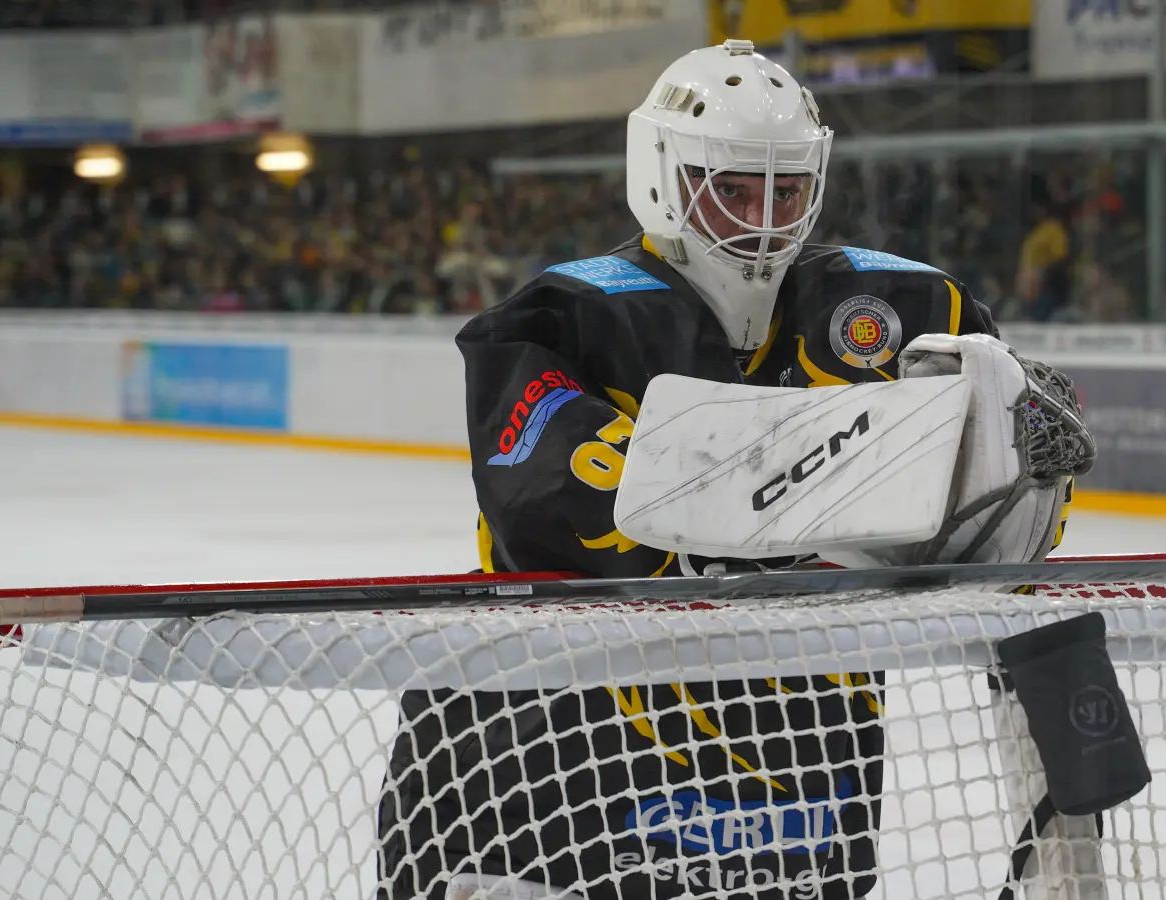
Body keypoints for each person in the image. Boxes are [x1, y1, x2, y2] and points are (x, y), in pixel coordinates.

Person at [379, 40, 1087, 900]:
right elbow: (564, 507)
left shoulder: (912, 309)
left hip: (802, 766)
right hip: (558, 772)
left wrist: (1016, 480)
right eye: (733, 189)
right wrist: (859, 487)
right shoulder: (563, 318)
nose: (762, 220)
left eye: (784, 191)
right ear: (664, 175)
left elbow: (998, 507)